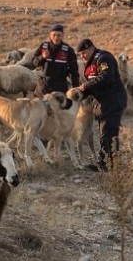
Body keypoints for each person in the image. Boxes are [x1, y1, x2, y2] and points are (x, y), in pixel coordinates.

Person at [76, 37, 127, 172]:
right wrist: (79, 93)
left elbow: (106, 77)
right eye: (80, 55)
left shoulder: (103, 58)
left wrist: (87, 85)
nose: (82, 56)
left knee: (108, 131)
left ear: (92, 48)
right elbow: (92, 87)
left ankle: (106, 162)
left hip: (113, 99)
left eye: (84, 53)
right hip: (100, 103)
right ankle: (109, 161)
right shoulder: (88, 66)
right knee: (104, 132)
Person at [33, 23, 80, 94]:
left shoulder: (68, 50)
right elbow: (34, 62)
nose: (56, 38)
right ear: (50, 35)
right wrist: (42, 57)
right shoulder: (43, 46)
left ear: (62, 36)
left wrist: (75, 88)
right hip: (44, 86)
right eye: (54, 35)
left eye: (58, 35)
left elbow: (74, 71)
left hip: (60, 86)